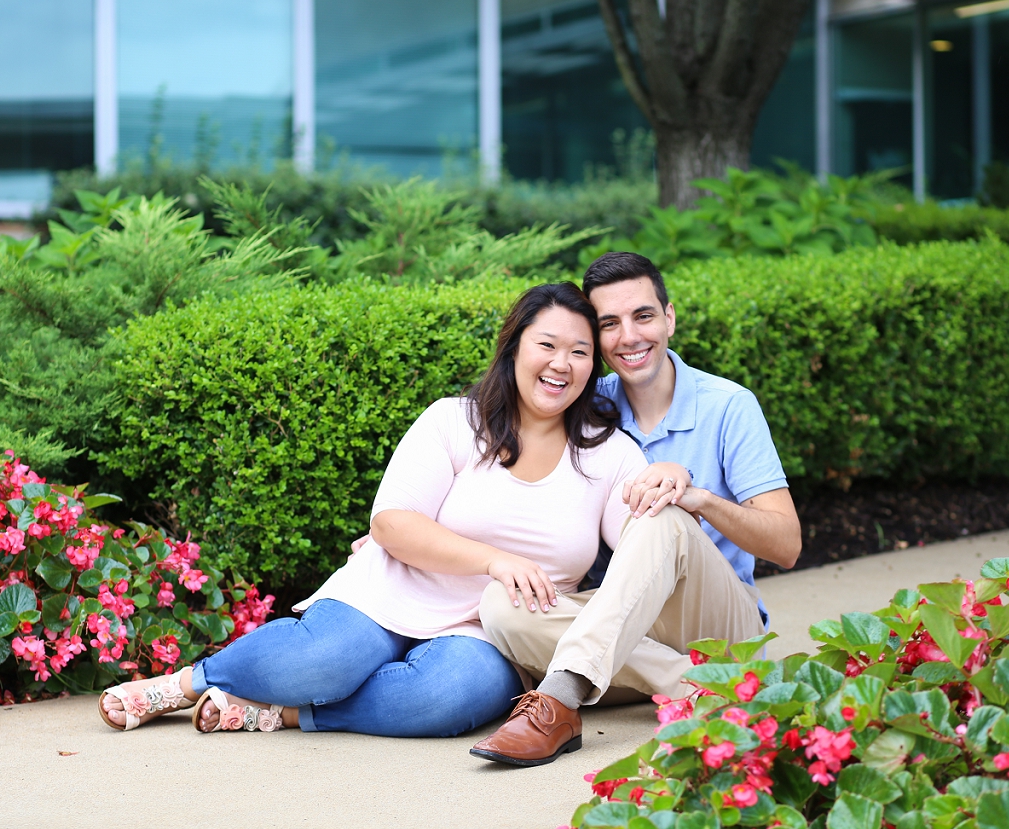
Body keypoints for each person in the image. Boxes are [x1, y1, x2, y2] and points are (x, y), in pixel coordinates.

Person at [95, 281, 654, 743]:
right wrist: (495, 561)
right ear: (514, 348)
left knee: (445, 699)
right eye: (547, 345)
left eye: (580, 352)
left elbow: (643, 537)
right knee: (326, 660)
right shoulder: (454, 421)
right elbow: (391, 524)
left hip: (494, 632)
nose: (561, 365)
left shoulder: (607, 453)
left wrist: (674, 480)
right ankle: (191, 683)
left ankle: (282, 714)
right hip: (394, 590)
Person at [471, 249, 804, 765]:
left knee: (662, 516)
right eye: (609, 324)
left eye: (643, 315)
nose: (629, 336)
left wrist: (700, 500)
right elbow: (512, 488)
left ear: (669, 318)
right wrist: (399, 538)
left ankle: (558, 700)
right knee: (500, 605)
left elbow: (786, 545)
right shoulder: (585, 403)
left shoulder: (728, 406)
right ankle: (703, 688)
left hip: (718, 623)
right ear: (596, 340)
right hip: (625, 633)